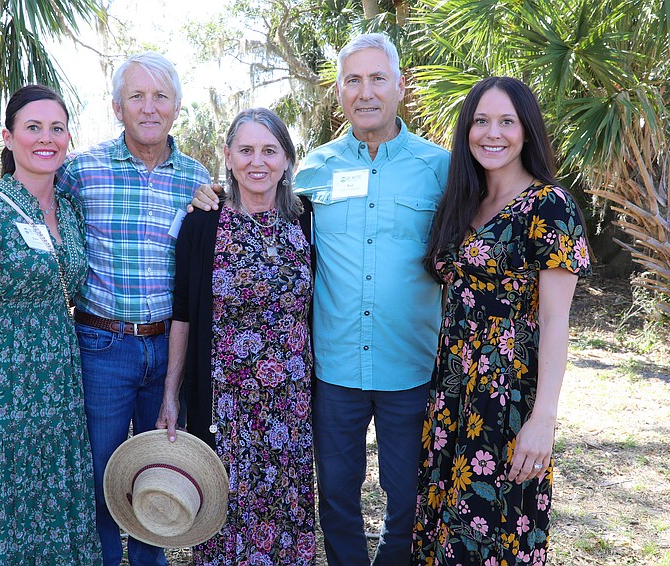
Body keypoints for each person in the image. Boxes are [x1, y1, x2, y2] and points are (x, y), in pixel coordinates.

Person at [190, 33, 450, 566]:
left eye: (378, 77)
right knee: (335, 502)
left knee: (408, 501)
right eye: (353, 80)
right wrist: (215, 194)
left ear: (400, 85)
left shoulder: (442, 169)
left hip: (412, 365)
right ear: (338, 92)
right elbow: (260, 202)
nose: (366, 91)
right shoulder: (313, 169)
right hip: (333, 370)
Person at [0, 52, 211, 566]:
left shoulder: (196, 182)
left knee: (156, 476)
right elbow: (2, 213)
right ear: (116, 107)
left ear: (177, 107)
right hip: (97, 347)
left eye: (160, 97)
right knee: (98, 481)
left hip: (161, 347)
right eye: (136, 96)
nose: (148, 108)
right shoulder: (82, 173)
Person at [411, 77, 591, 565]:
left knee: (491, 533)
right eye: (481, 121)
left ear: (527, 131)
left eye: (507, 121)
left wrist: (543, 420)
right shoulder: (462, 201)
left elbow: (556, 322)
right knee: (443, 529)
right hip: (452, 390)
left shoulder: (549, 206)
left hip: (506, 398)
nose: (492, 133)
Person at [0, 85, 101, 564]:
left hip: (60, 393)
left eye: (57, 128)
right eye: (33, 128)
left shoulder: (70, 212)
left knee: (59, 511)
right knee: (3, 513)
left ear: (69, 138)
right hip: (1, 394)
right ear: (8, 138)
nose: (46, 138)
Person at [156, 108, 316, 564]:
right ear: (228, 156)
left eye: (270, 150)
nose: (257, 161)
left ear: (287, 159)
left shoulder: (307, 219)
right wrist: (172, 395)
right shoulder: (203, 221)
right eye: (245, 150)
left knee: (285, 510)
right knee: (222, 511)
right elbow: (183, 314)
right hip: (223, 401)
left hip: (289, 404)